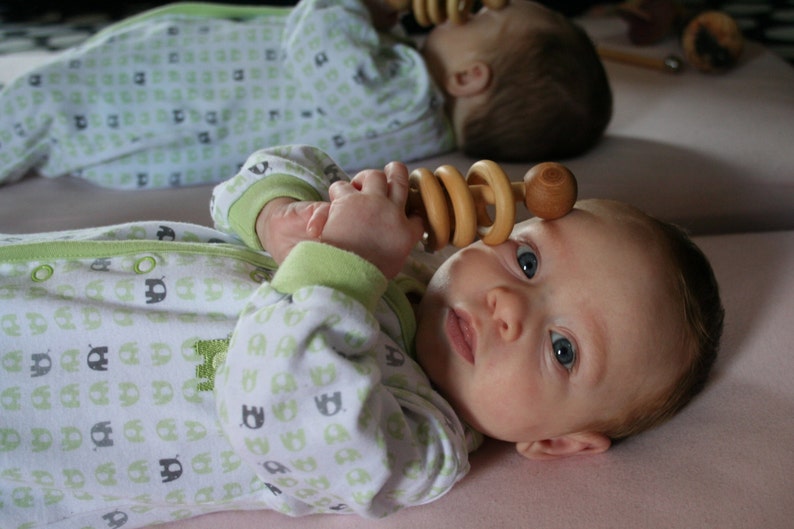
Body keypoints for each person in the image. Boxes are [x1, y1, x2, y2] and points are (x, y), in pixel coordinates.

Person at [0, 144, 721, 528]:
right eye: (527, 260)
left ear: (558, 441)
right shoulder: (407, 249)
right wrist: (280, 212)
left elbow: (283, 412)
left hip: (35, 434)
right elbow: (260, 176)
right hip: (50, 286)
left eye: (562, 348)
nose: (508, 303)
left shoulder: (416, 441)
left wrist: (344, 268)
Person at [0, 0, 612, 189]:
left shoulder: (406, 92)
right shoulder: (420, 130)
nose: (457, 13)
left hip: (172, 91)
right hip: (172, 129)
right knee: (59, 114)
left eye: (475, 17)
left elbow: (317, 35)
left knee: (44, 104)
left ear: (469, 77)